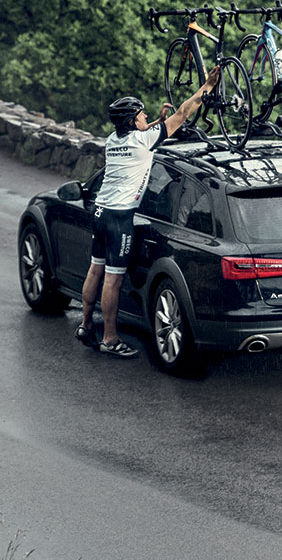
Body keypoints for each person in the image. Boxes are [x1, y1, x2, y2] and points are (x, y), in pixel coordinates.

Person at [76, 65, 221, 358]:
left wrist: (156, 120)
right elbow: (183, 113)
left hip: (101, 212)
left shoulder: (113, 140)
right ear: (132, 121)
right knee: (113, 279)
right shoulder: (144, 139)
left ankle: (85, 325)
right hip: (120, 219)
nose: (145, 117)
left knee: (95, 269)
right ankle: (110, 338)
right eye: (141, 115)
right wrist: (206, 87)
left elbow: (148, 131)